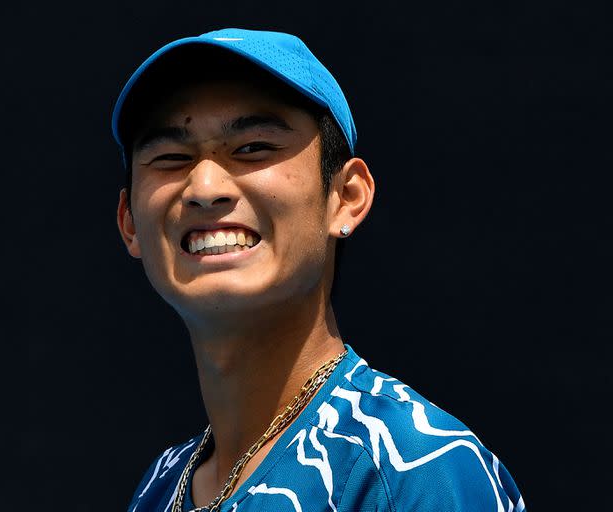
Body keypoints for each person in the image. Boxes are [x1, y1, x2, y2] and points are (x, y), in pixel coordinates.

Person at [111, 28, 525, 512]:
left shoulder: (418, 468)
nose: (205, 186)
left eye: (253, 147)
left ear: (346, 197)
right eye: (171, 157)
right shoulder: (164, 483)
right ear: (129, 223)